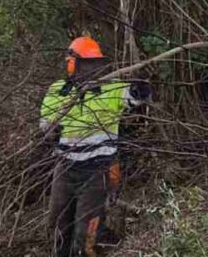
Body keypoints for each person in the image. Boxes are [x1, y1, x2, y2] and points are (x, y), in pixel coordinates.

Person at [40, 36, 151, 257]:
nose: (91, 68)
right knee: (57, 229)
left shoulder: (112, 89)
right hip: (65, 169)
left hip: (97, 171)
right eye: (86, 63)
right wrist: (55, 125)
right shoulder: (58, 90)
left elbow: (141, 95)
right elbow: (46, 127)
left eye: (94, 63)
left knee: (85, 238)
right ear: (72, 64)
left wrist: (141, 81)